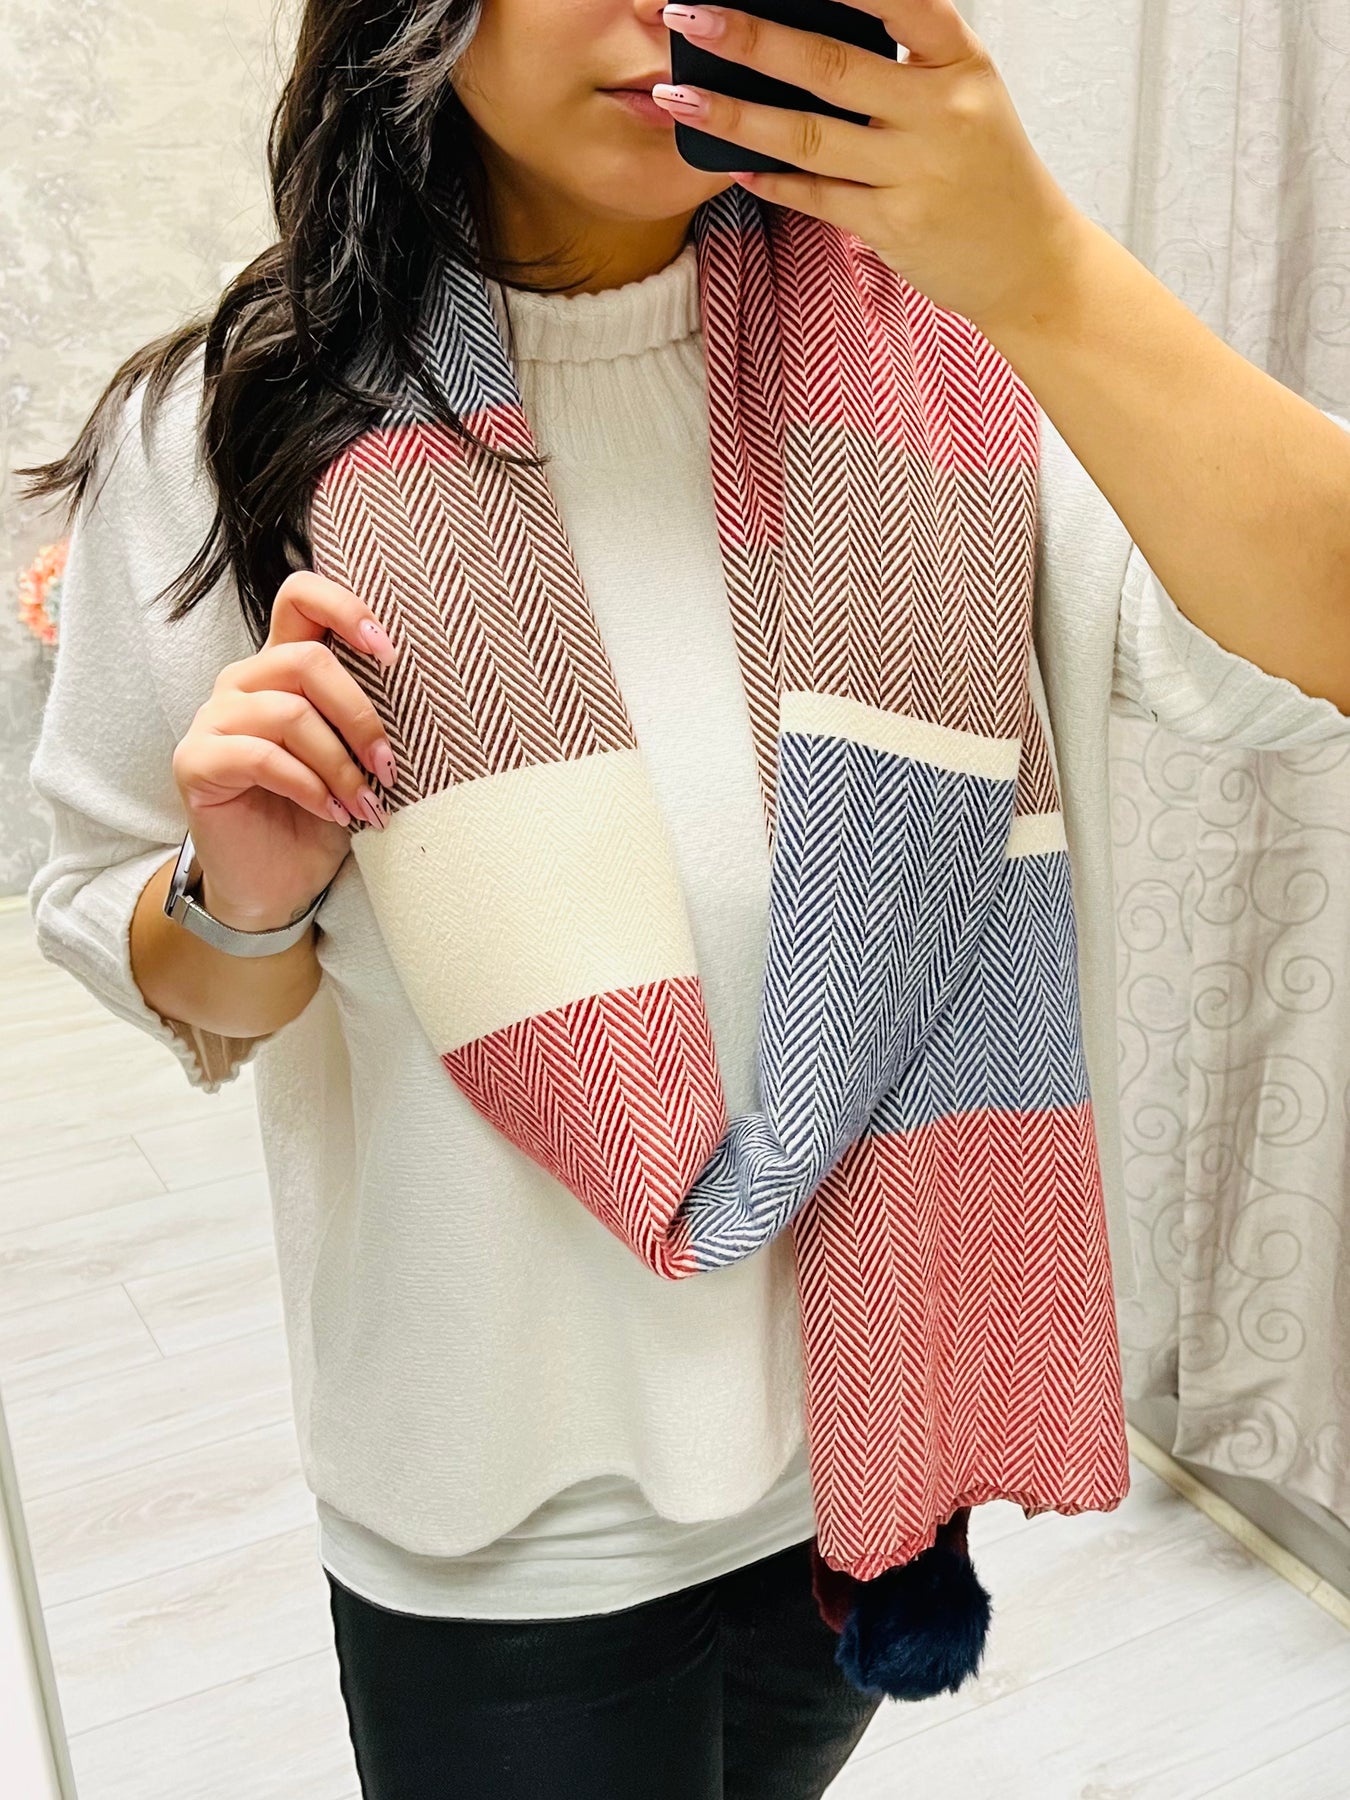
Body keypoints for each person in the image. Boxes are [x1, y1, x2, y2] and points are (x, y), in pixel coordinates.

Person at [23, 2, 1350, 1795]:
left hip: (868, 1453)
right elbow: (142, 933)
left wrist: (1034, 263)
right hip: (508, 1524)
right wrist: (241, 900)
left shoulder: (950, 366)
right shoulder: (227, 421)